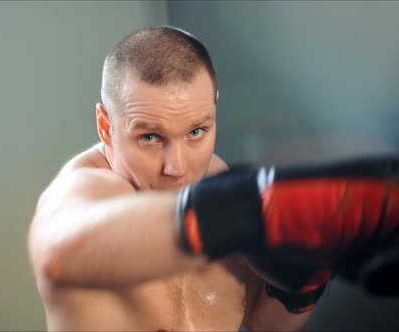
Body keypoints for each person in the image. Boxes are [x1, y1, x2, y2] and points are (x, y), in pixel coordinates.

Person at [27, 26, 399, 331]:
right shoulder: (90, 189)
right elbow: (61, 255)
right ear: (106, 126)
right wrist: (244, 211)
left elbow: (263, 323)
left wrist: (305, 283)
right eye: (150, 137)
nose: (177, 167)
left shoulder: (223, 183)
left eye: (196, 132)